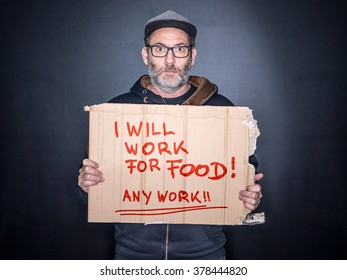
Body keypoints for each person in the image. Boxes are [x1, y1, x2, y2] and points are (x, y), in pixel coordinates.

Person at [78, 10, 263, 260]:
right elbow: (91, 190)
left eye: (179, 49)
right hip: (134, 257)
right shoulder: (117, 111)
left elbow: (245, 178)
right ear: (146, 55)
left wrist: (251, 194)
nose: (170, 59)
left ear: (192, 55)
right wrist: (87, 185)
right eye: (159, 49)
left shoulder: (224, 111)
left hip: (204, 256)